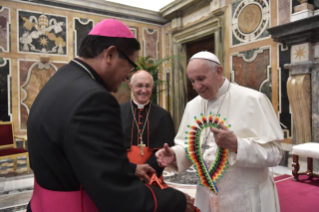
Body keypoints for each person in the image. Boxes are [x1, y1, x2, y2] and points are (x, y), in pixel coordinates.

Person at [27, 18, 193, 212]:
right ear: (110, 54)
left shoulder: (60, 79)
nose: (126, 77)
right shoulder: (94, 98)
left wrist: (131, 169)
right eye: (130, 67)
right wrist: (176, 201)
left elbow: (81, 156)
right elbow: (117, 193)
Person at [156, 51, 283, 212]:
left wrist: (237, 145)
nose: (196, 86)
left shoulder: (253, 99)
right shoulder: (192, 106)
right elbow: (190, 147)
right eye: (192, 81)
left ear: (218, 72)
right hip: (207, 195)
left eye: (201, 79)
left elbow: (276, 153)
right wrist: (175, 155)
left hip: (246, 197)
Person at [121, 70, 175, 177]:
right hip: (123, 172)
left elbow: (165, 150)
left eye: (147, 86)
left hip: (151, 174)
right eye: (139, 86)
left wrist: (147, 172)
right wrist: (130, 169)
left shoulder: (163, 115)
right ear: (131, 86)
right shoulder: (118, 111)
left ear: (152, 87)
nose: (144, 90)